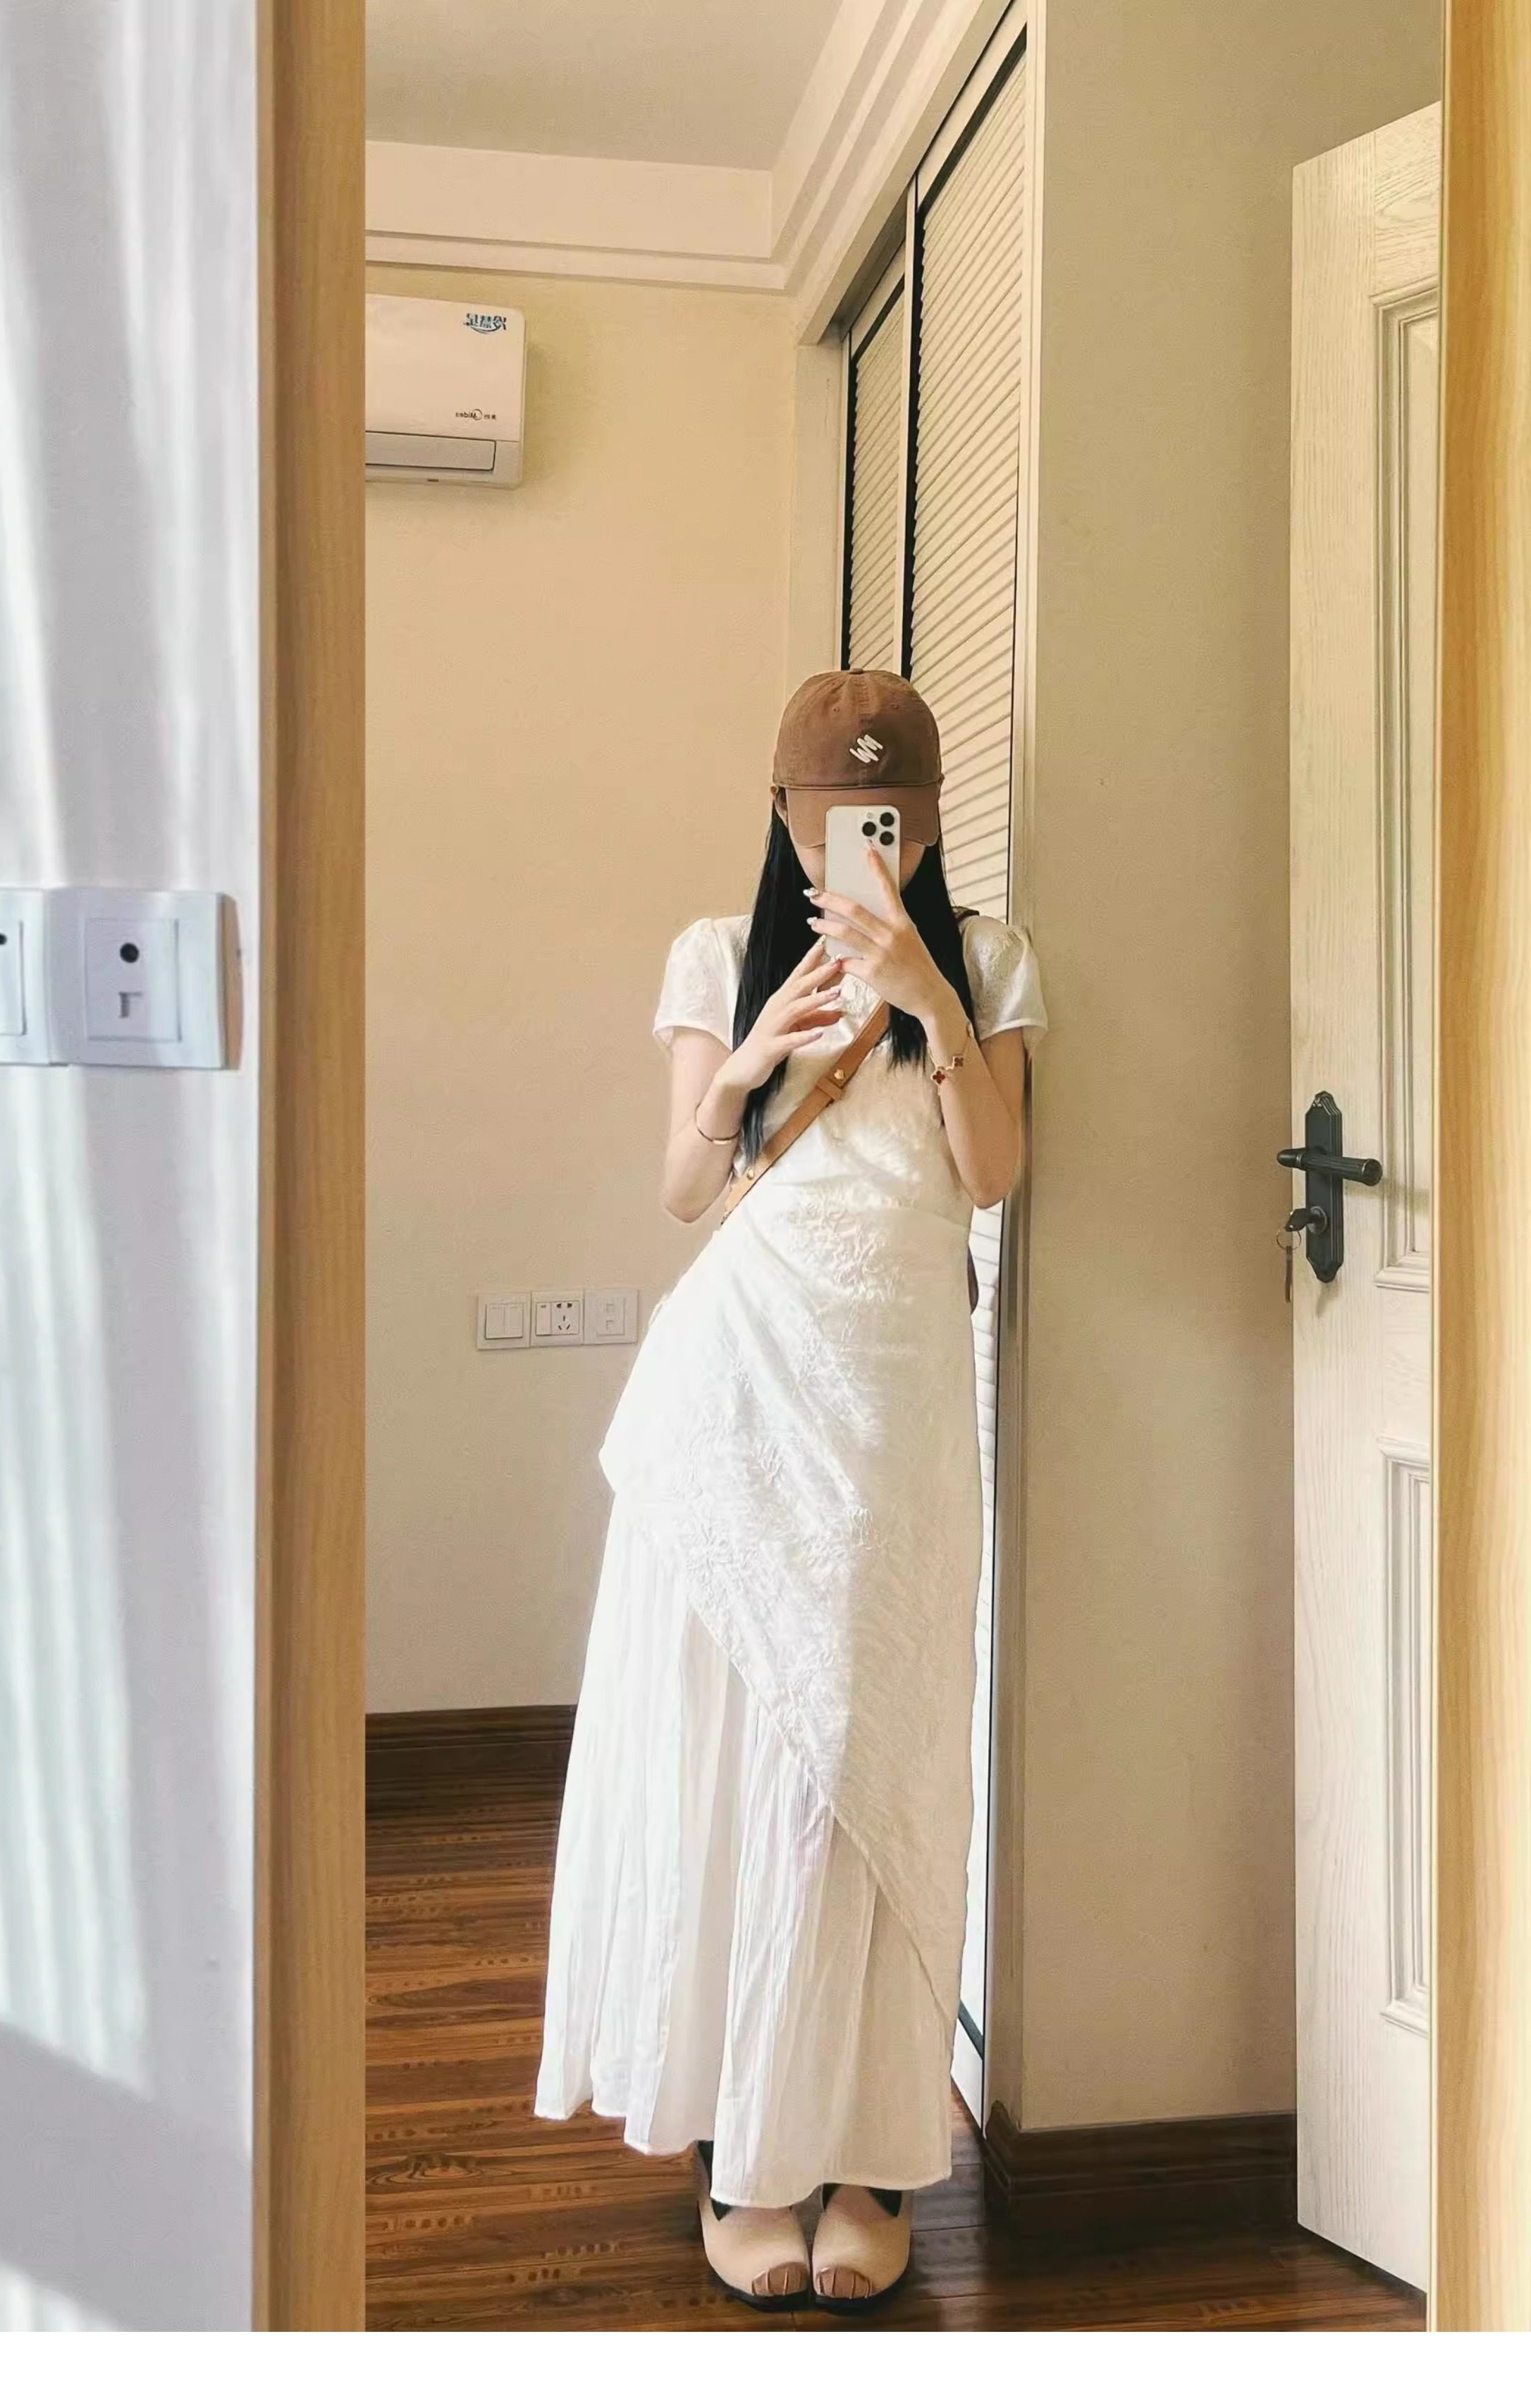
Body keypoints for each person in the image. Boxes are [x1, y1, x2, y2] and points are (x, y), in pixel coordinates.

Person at [535, 670, 1047, 2310]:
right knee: (745, 1759)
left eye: (888, 818)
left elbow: (992, 1176)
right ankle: (741, 2155)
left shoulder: (992, 962)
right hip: (738, 1391)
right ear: (785, 817)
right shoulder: (714, 953)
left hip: (895, 1402)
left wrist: (928, 998)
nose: (860, 842)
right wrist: (757, 1044)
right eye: (833, 817)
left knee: (877, 1759)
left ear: (931, 824)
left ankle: (872, 2151)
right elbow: (683, 1190)